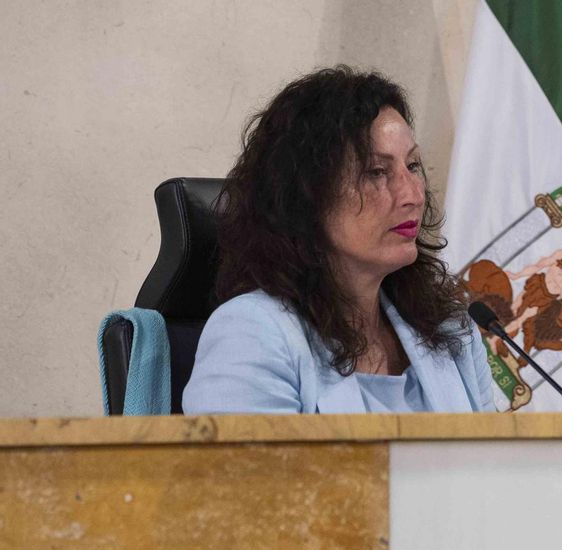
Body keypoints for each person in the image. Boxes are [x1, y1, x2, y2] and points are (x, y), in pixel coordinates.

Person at [184, 67, 498, 414]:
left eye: (412, 166)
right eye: (377, 172)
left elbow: (497, 466)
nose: (412, 195)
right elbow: (247, 469)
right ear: (307, 195)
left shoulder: (449, 329)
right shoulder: (251, 334)